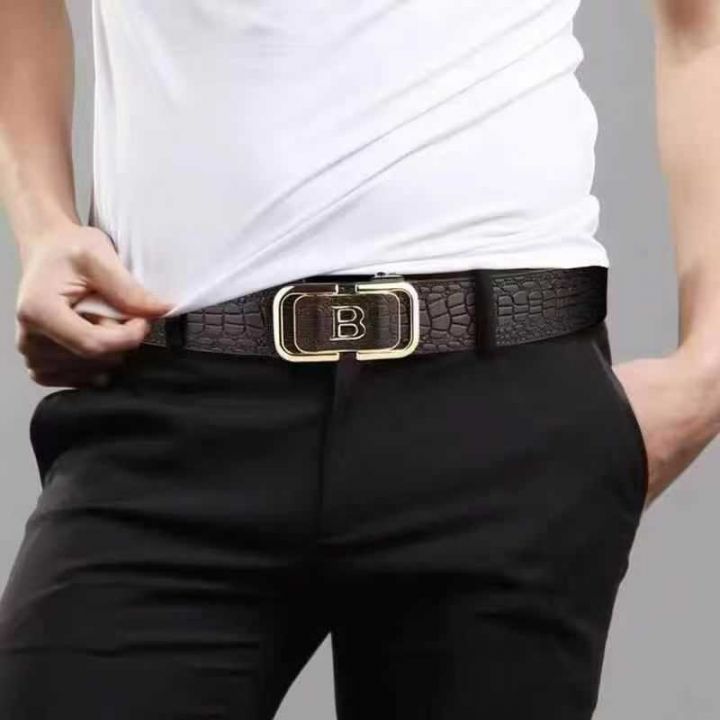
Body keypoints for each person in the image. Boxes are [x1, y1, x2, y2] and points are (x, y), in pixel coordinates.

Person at [0, 1, 717, 718]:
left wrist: (707, 372)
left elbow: (703, 29)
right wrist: (44, 226)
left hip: (500, 398)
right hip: (170, 397)